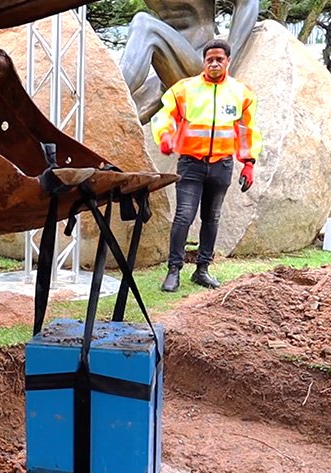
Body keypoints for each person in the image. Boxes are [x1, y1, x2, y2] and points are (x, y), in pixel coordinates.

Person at [151, 38, 261, 291]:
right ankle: (174, 271)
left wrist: (248, 163)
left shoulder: (241, 92)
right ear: (204, 61)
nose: (213, 63)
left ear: (227, 61)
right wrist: (165, 136)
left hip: (222, 165)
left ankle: (202, 270)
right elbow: (164, 114)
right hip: (191, 163)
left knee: (212, 218)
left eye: (219, 59)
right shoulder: (184, 89)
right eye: (209, 59)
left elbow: (247, 129)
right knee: (184, 216)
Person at [119, 0, 259, 122]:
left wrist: (228, 62)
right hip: (168, 68)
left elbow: (248, 2)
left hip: (199, 62)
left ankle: (112, 94)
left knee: (144, 24)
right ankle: (110, 98)